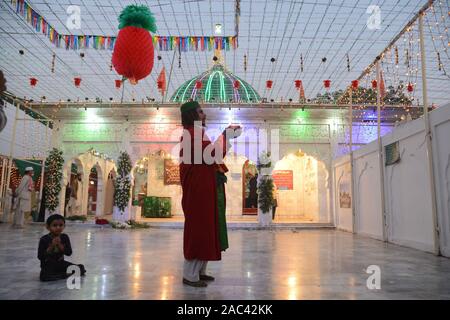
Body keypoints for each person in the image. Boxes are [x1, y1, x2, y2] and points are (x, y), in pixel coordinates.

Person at [179, 100, 241, 287]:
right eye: (200, 112)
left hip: (204, 188)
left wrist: (226, 137)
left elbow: (211, 156)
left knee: (207, 227)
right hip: (198, 191)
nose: (204, 115)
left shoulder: (197, 132)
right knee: (200, 228)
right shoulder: (192, 133)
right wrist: (226, 135)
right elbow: (211, 155)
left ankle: (199, 271)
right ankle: (190, 275)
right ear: (192, 115)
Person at [38, 214, 86, 281]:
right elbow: (40, 257)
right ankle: (64, 275)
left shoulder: (64, 237)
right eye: (54, 225)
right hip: (48, 265)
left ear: (64, 226)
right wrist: (51, 246)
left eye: (60, 225)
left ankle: (61, 275)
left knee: (80, 268)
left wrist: (60, 245)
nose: (58, 227)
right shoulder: (44, 239)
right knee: (44, 277)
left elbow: (69, 253)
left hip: (61, 263)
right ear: (48, 227)